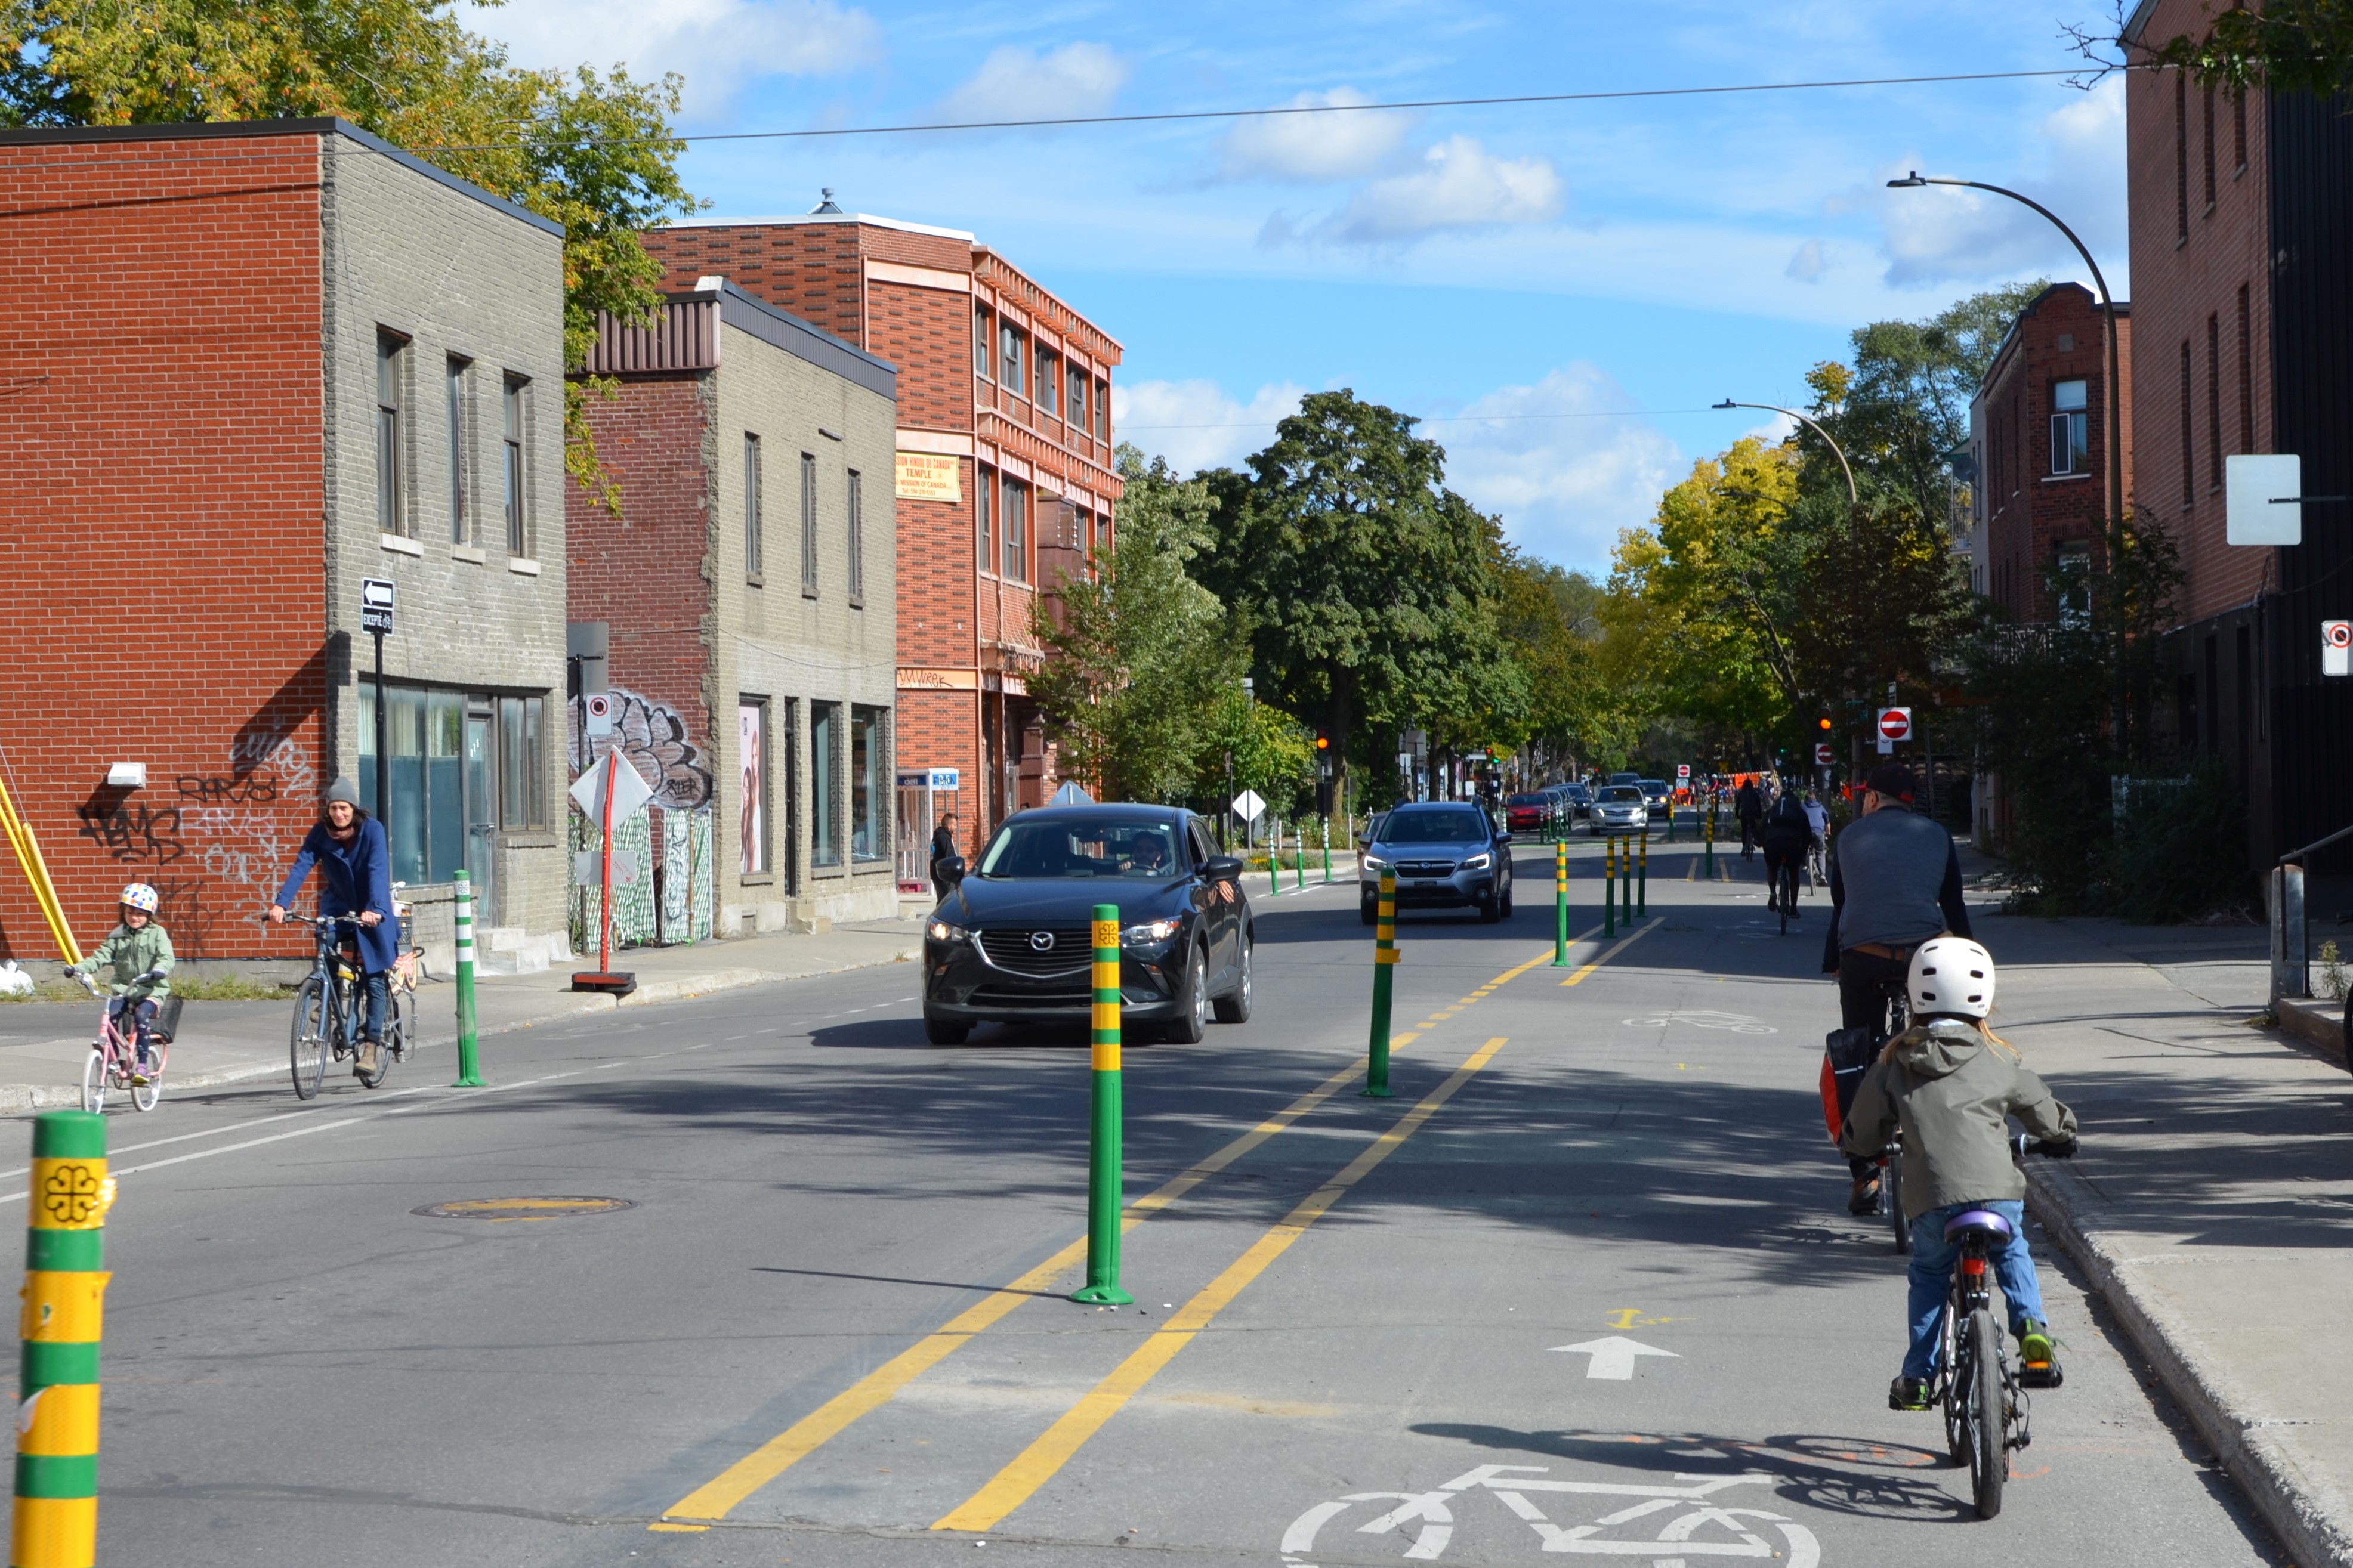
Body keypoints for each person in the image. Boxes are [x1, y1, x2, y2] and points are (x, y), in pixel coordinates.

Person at [1839, 938, 2077, 1406]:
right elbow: (2047, 1116)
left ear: (1914, 995)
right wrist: (2061, 1134)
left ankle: (1918, 1378)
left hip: (1931, 1199)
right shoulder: (1999, 1058)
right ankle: (2032, 1329)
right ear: (1984, 997)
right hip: (1995, 1193)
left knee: (1929, 1274)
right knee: (2013, 1251)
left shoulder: (1895, 1062)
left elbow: (1863, 1131)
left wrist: (1858, 1147)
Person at [1823, 760, 1974, 1213]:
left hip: (1863, 956)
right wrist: (1970, 956)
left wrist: (1833, 961)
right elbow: (1953, 903)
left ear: (1871, 798)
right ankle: (1947, 1149)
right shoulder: (1937, 835)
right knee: (1940, 1037)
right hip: (1922, 958)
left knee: (1858, 1049)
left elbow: (1842, 904)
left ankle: (1864, 1171)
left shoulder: (1850, 837)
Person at [268, 778, 400, 1077]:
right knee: (325, 938)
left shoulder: (373, 831)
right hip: (339, 904)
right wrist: (281, 903)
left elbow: (378, 869)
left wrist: (376, 909)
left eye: (344, 808)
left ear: (353, 808)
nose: (339, 814)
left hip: (371, 907)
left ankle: (370, 1045)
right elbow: (302, 864)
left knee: (374, 977)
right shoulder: (321, 833)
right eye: (334, 808)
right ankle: (329, 999)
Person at [67, 883, 174, 1085]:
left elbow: (166, 957)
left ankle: (142, 1065)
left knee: (142, 1016)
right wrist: (78, 968)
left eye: (141, 913)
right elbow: (101, 956)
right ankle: (113, 1060)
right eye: (130, 912)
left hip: (150, 988)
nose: (135, 917)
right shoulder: (118, 935)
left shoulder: (157, 933)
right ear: (123, 911)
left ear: (150, 914)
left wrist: (160, 969)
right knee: (110, 1017)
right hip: (123, 989)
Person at [1759, 786, 1811, 914]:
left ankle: (1773, 893)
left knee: (1772, 868)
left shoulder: (1773, 811)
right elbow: (1807, 834)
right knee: (1794, 874)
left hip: (1773, 845)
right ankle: (1793, 907)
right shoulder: (1800, 812)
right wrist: (1803, 855)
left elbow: (1762, 829)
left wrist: (1762, 843)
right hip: (1793, 845)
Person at [929, 811, 960, 903]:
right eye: (954, 825)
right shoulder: (944, 838)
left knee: (942, 901)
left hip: (936, 874)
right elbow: (950, 857)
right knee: (948, 902)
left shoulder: (937, 836)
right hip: (944, 876)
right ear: (949, 826)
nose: (956, 827)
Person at [1734, 776, 1762, 858]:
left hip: (1744, 814)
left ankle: (1744, 847)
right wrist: (1759, 815)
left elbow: (1738, 806)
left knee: (1744, 829)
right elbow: (1759, 806)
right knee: (1754, 827)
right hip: (1753, 813)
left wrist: (1737, 815)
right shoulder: (1755, 794)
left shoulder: (1741, 794)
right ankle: (1756, 840)